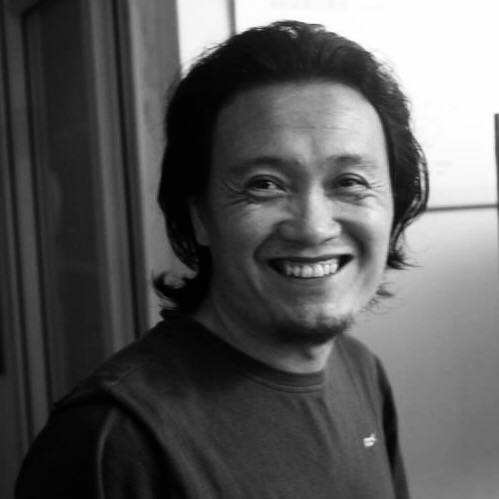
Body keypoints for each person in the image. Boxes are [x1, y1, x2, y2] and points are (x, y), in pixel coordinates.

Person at [16, 20, 428, 498]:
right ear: (199, 216)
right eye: (264, 184)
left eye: (350, 182)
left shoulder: (360, 371)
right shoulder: (113, 441)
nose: (313, 227)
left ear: (394, 204)